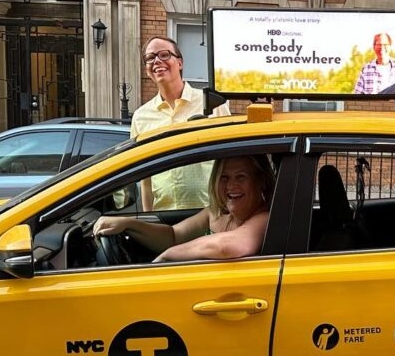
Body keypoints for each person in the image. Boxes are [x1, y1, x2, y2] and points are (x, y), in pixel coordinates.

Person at [92, 155, 275, 263]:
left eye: (241, 177)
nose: (230, 186)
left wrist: (166, 257)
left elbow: (226, 247)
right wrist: (128, 224)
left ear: (260, 182)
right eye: (224, 177)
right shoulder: (215, 213)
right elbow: (173, 236)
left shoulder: (265, 217)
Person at [132, 36, 231, 211]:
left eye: (164, 55)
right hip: (165, 216)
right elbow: (145, 179)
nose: (157, 61)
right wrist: (151, 220)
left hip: (210, 213)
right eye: (150, 58)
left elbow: (229, 162)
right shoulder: (141, 117)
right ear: (147, 70)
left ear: (180, 63)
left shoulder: (212, 105)